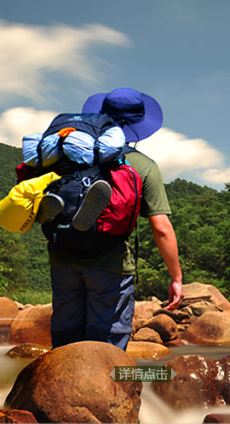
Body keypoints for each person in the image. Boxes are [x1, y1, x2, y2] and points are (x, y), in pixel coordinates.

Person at [48, 87, 184, 350]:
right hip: (112, 266)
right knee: (107, 347)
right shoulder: (144, 166)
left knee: (66, 340)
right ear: (137, 124)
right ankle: (104, 388)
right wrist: (175, 277)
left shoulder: (69, 157)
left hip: (62, 258)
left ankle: (61, 385)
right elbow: (161, 228)